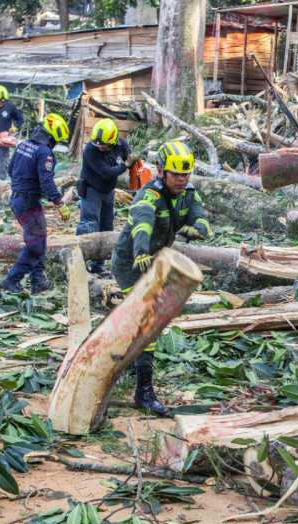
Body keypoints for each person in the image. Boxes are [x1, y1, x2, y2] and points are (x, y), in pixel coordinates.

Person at [111, 141, 210, 416]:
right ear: (161, 171)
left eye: (186, 173)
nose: (182, 179)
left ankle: (127, 356)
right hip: (130, 262)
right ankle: (144, 393)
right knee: (148, 321)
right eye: (176, 174)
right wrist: (141, 251)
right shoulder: (149, 194)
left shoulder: (189, 193)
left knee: (141, 319)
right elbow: (142, 221)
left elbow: (201, 217)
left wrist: (197, 229)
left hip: (155, 263)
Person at [0, 114, 72, 294]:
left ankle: (37, 281)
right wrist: (59, 202)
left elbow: (10, 170)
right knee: (35, 245)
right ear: (51, 137)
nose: (56, 144)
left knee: (39, 239)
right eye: (56, 141)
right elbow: (46, 181)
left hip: (20, 199)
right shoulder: (44, 152)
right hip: (27, 202)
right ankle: (12, 279)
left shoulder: (23, 144)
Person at [76, 118, 138, 277]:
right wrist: (125, 165)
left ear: (113, 141)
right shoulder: (90, 150)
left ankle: (98, 266)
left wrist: (135, 179)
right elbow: (107, 173)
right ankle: (78, 264)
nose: (100, 148)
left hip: (108, 191)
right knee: (89, 225)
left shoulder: (122, 145)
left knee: (106, 227)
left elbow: (132, 161)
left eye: (103, 146)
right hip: (91, 190)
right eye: (98, 145)